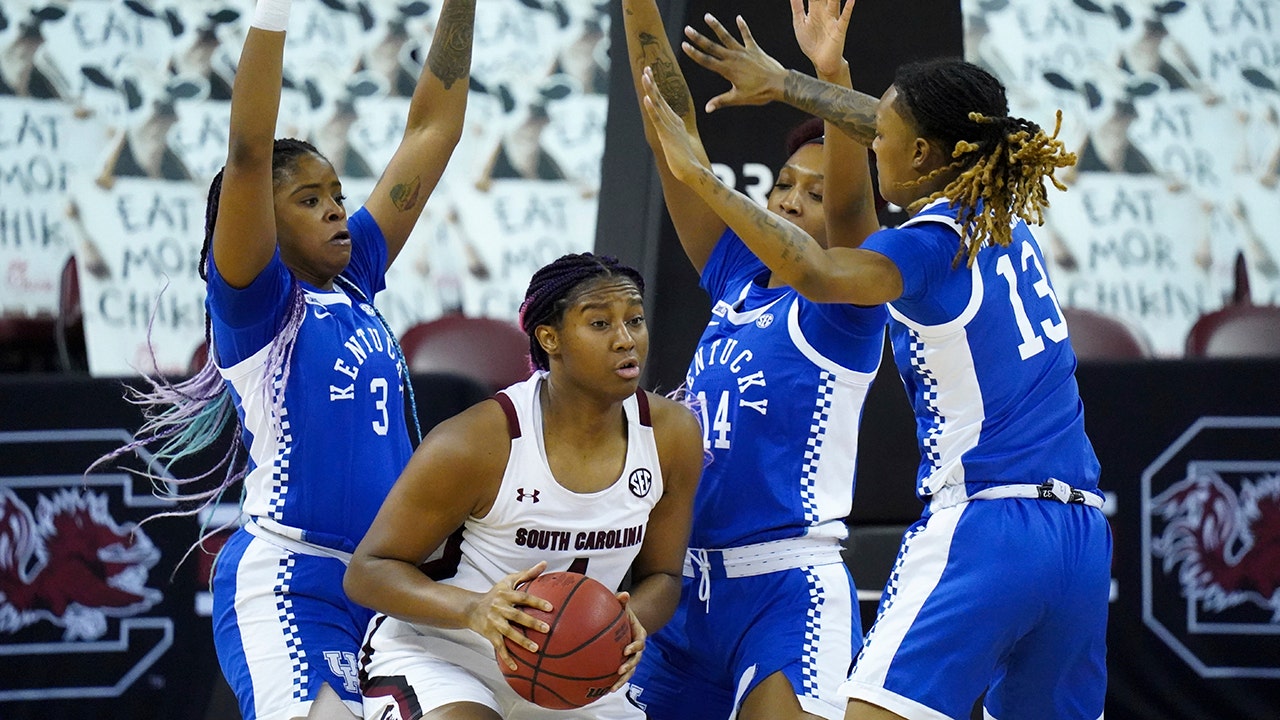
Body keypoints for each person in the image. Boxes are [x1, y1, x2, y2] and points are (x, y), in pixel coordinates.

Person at [639, 10, 1112, 720]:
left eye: (881, 137)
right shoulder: (999, 198)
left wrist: (700, 178)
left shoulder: (924, 244)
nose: (868, 139)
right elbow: (893, 126)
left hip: (989, 526)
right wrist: (795, 81)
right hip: (1082, 536)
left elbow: (820, 271)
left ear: (920, 153)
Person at [88, 0, 475, 717]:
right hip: (295, 582)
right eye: (308, 199)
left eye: (337, 195)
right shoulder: (256, 306)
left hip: (388, 588)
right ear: (263, 219)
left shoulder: (354, 277)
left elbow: (433, 129)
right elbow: (247, 153)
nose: (336, 209)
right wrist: (273, 12)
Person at [620, 0, 887, 718]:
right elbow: (668, 130)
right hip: (680, 591)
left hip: (783, 592)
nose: (791, 200)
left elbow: (853, 200)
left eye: (814, 193)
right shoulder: (737, 273)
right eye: (784, 184)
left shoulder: (846, 306)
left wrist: (830, 77)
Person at [344, 252, 705, 720]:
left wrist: (626, 621)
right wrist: (475, 609)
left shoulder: (672, 435)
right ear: (549, 338)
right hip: (446, 653)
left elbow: (664, 577)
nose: (625, 339)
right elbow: (368, 571)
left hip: (573, 672)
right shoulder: (476, 441)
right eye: (600, 324)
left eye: (634, 320)